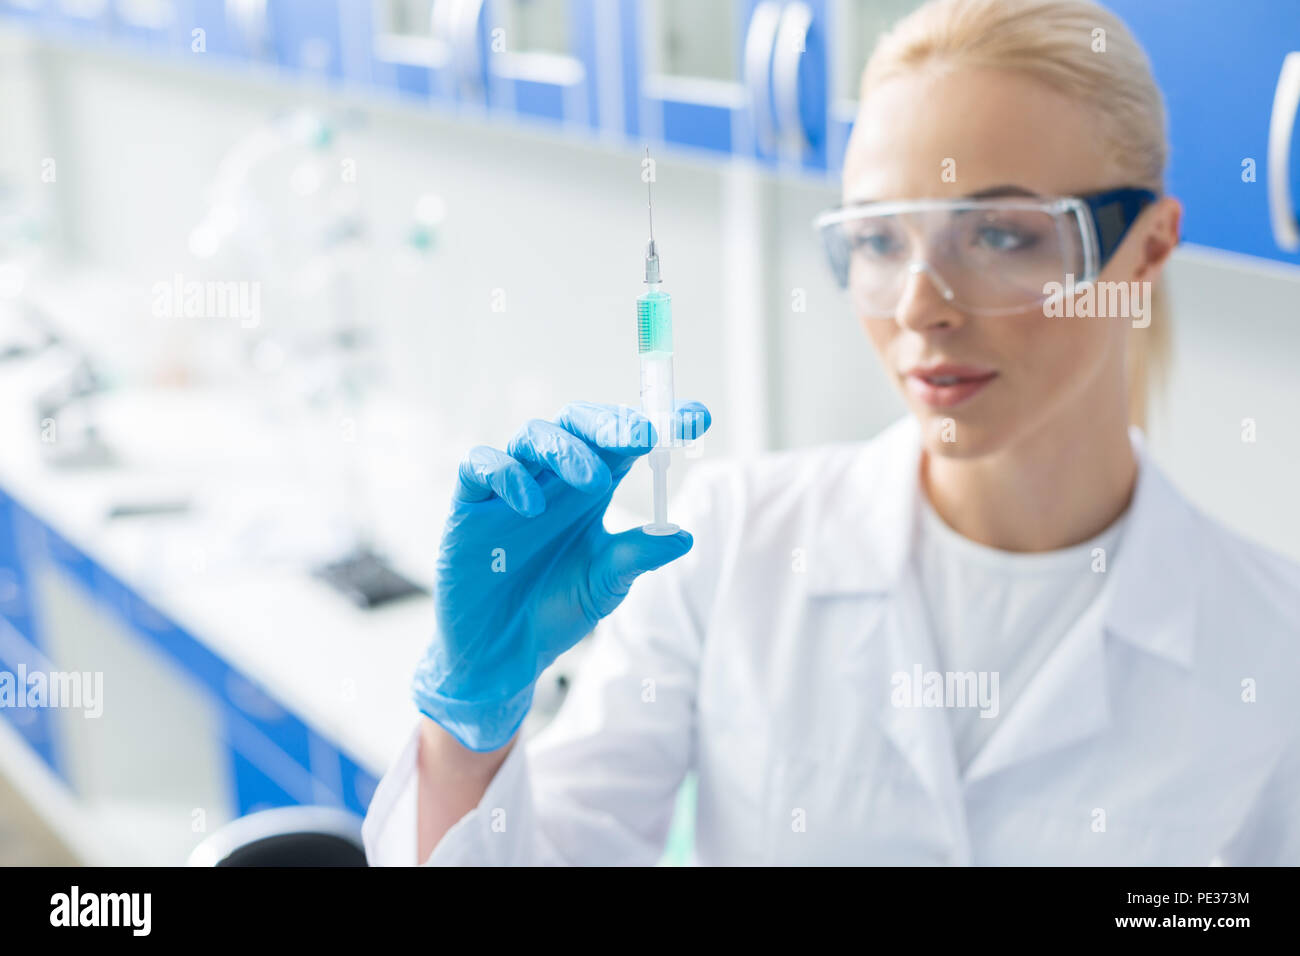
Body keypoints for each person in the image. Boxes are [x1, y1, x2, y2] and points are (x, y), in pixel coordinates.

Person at [363, 0, 1300, 865]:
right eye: (882, 241)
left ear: (1147, 247)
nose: (920, 306)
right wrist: (466, 736)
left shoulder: (1274, 650)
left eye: (1003, 236)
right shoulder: (732, 542)